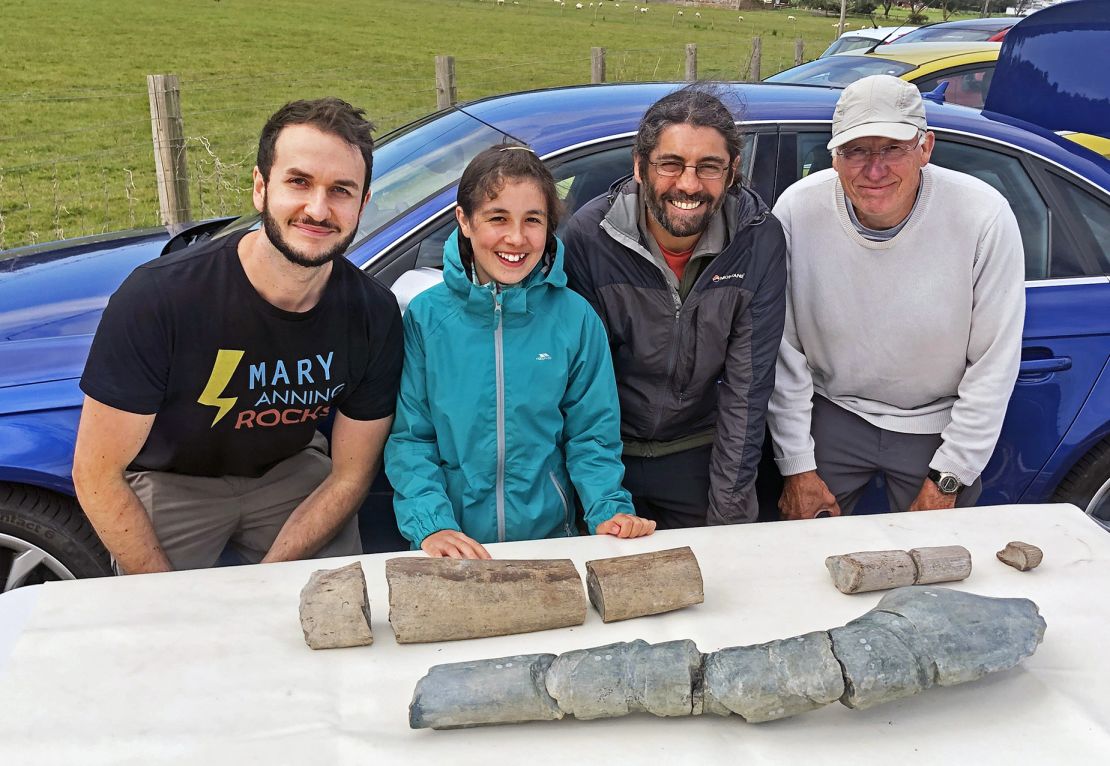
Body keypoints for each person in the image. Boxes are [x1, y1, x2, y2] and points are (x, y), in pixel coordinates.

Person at [72, 98, 404, 574]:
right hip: (172, 480)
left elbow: (351, 475)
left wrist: (265, 584)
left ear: (362, 204)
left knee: (334, 616)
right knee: (159, 634)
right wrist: (164, 597)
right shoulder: (160, 297)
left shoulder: (373, 312)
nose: (318, 207)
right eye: (299, 182)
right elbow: (96, 474)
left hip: (291, 471)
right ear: (260, 187)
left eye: (341, 190)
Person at [767, 75, 1025, 519]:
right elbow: (781, 350)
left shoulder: (983, 215)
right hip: (832, 411)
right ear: (833, 156)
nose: (874, 169)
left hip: (937, 421)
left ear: (925, 148)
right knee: (801, 555)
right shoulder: (796, 210)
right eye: (856, 151)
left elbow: (993, 363)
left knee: (936, 563)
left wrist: (951, 474)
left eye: (892, 148)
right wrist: (797, 466)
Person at [386, 144, 655, 559]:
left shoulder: (575, 319)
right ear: (465, 220)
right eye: (497, 218)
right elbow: (411, 439)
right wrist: (431, 525)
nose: (516, 238)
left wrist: (609, 510)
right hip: (451, 549)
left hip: (550, 546)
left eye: (533, 220)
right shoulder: (426, 319)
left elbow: (592, 437)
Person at [562, 85, 787, 529]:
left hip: (699, 456)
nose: (688, 184)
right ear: (640, 167)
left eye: (709, 167)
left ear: (733, 170)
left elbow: (748, 389)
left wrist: (726, 519)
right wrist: (602, 498)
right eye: (671, 164)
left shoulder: (758, 240)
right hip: (603, 459)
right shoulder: (591, 237)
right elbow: (581, 387)